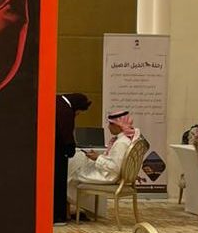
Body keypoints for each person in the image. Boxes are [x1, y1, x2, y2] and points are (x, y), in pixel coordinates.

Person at [67, 110, 141, 204]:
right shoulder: (125, 139)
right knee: (80, 170)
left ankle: (80, 207)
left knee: (72, 175)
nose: (108, 127)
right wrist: (99, 156)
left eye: (111, 124)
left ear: (118, 125)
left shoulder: (121, 143)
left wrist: (97, 158)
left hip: (110, 177)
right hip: (113, 175)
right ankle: (85, 207)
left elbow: (115, 167)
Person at [54, 93, 91, 224]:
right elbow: (66, 135)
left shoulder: (57, 102)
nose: (77, 115)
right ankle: (58, 216)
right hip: (58, 154)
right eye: (78, 112)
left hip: (50, 152)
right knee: (59, 183)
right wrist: (70, 150)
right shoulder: (65, 110)